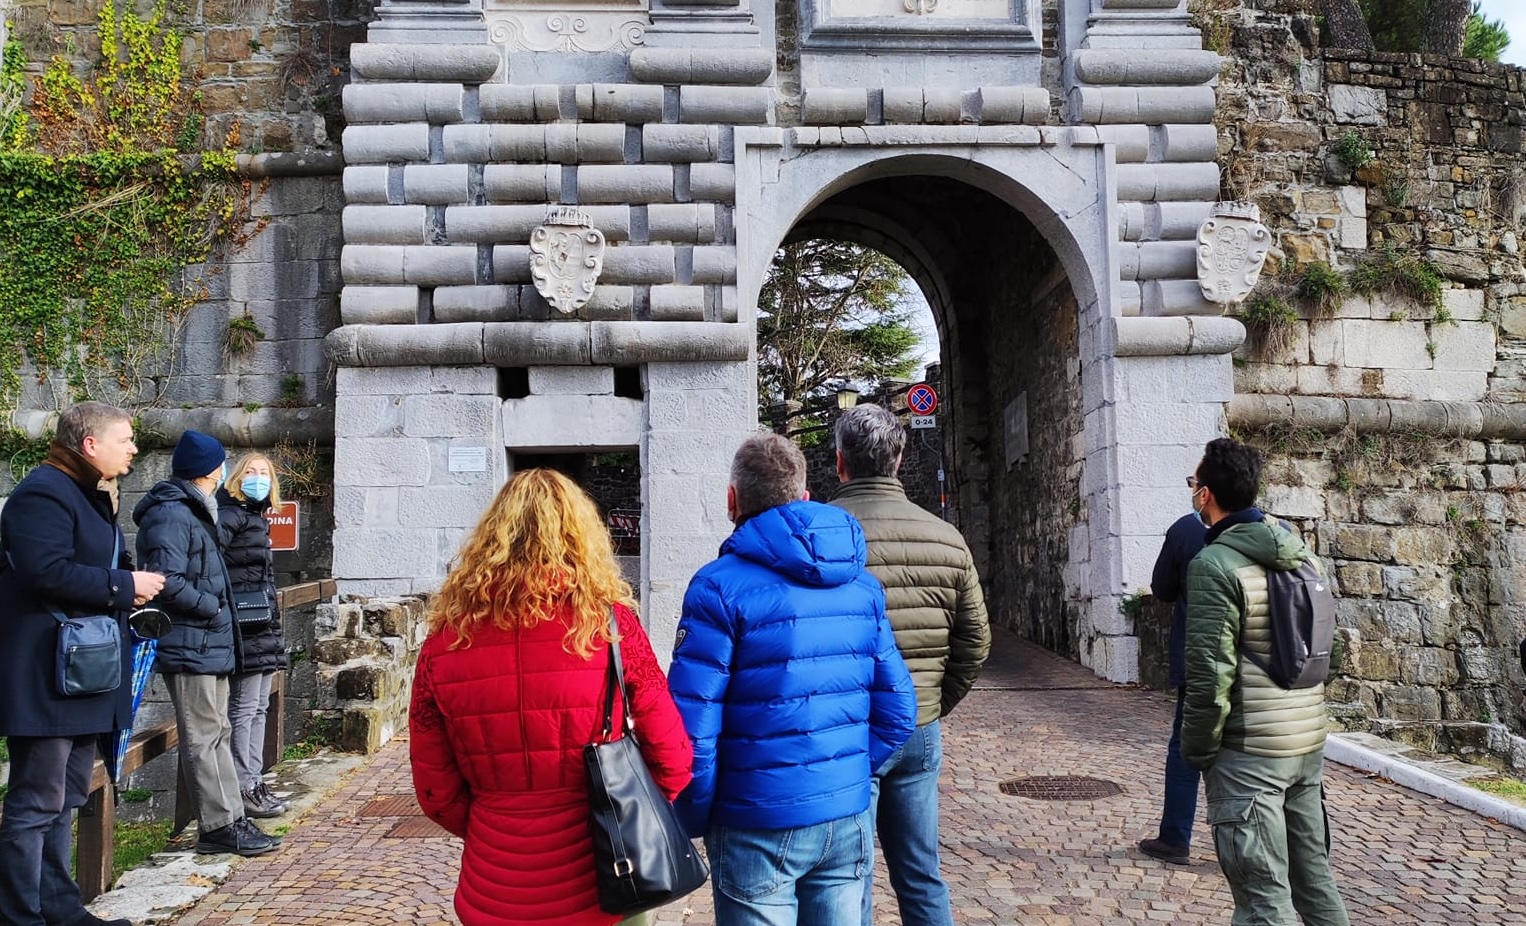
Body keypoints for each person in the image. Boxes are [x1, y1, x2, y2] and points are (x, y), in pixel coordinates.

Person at [409, 468, 692, 926]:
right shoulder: (611, 625)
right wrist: (624, 811)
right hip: (606, 882)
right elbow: (674, 758)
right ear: (581, 535)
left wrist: (492, 823)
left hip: (493, 885)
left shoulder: (445, 640)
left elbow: (434, 789)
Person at [668, 432, 917, 926]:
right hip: (843, 813)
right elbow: (900, 710)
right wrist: (840, 774)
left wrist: (696, 816)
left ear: (732, 500)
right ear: (804, 497)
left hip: (753, 819)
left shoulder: (717, 585)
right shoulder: (861, 585)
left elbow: (692, 729)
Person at [0, 402, 164, 926]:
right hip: (48, 676)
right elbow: (43, 571)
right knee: (35, 803)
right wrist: (124, 587)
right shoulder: (42, 492)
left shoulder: (85, 493)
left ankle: (62, 912)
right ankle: (19, 916)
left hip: (81, 675)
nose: (134, 447)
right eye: (126, 438)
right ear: (90, 444)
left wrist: (130, 585)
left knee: (66, 796)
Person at [827, 404, 990, 926]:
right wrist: (933, 702)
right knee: (921, 871)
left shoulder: (820, 536)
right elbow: (975, 642)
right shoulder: (945, 537)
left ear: (839, 462)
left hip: (847, 726)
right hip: (918, 721)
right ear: (898, 459)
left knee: (851, 875)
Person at [1180, 437, 1350, 926]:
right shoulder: (1304, 558)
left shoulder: (1214, 566)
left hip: (1249, 752)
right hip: (1305, 745)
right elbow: (1328, 653)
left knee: (1262, 902)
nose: (1193, 492)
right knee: (1316, 886)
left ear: (1206, 494)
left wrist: (1197, 752)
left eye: (1194, 484)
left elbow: (1210, 674)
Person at [134, 430, 280, 857]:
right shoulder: (173, 515)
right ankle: (219, 826)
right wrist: (212, 608)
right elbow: (167, 580)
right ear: (212, 469)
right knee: (203, 735)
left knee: (218, 729)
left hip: (207, 642)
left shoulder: (196, 511)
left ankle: (232, 818)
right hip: (191, 642)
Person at [216, 453, 289, 820]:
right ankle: (244, 785)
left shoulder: (256, 516)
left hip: (260, 623)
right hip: (244, 623)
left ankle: (254, 780)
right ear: (236, 477)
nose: (257, 478)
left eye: (264, 473)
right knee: (244, 708)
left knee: (259, 706)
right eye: (251, 472)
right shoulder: (230, 514)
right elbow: (211, 562)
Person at [1137, 506, 1207, 866]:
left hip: (1201, 662)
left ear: (1206, 490)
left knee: (1186, 751)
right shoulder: (1278, 532)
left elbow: (1162, 589)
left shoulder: (1186, 531)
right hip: (1259, 668)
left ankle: (1176, 836)